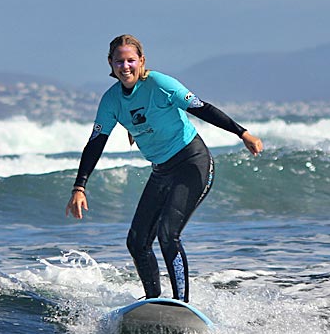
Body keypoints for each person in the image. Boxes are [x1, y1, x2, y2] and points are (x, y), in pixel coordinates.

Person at [66, 34, 263, 302]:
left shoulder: (160, 84)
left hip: (192, 162)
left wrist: (242, 133)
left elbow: (201, 108)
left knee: (168, 234)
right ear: (110, 64)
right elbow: (96, 142)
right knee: (136, 242)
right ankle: (153, 300)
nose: (125, 67)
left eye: (131, 60)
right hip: (162, 170)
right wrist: (80, 187)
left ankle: (182, 304)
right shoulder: (111, 101)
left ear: (142, 61)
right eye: (119, 61)